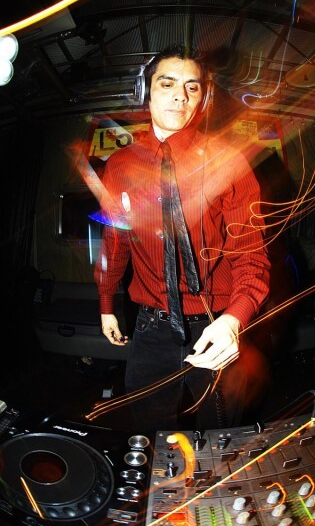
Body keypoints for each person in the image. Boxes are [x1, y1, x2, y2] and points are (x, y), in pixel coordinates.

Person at [94, 43, 270, 431]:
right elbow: (115, 241)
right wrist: (107, 302)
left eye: (192, 87)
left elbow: (250, 254)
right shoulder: (120, 165)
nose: (180, 95)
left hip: (215, 323)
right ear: (147, 92)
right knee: (149, 430)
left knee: (223, 433)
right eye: (168, 83)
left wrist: (234, 320)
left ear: (203, 98)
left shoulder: (229, 160)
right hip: (150, 328)